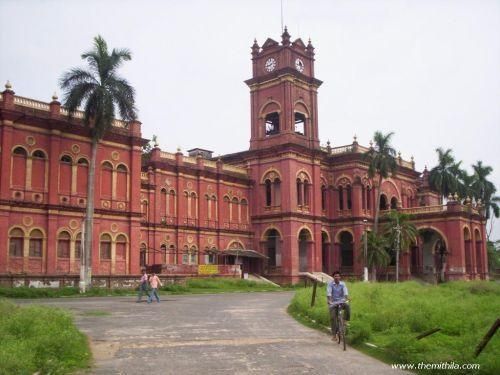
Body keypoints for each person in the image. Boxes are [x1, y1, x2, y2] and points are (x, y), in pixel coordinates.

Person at [326, 270, 351, 340]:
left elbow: (345, 292)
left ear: (340, 277)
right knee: (333, 318)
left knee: (347, 306)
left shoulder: (343, 284)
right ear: (333, 277)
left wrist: (347, 298)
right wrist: (329, 300)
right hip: (333, 303)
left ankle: (345, 320)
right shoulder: (330, 284)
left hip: (341, 301)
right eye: (335, 276)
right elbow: (329, 293)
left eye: (338, 276)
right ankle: (334, 335)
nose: (337, 277)